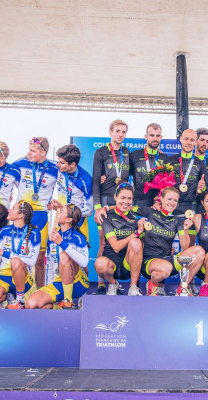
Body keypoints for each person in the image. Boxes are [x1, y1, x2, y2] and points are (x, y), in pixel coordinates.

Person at [136, 187, 205, 296]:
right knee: (165, 268)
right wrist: (107, 208)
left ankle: (182, 288)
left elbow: (185, 247)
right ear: (161, 199)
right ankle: (152, 283)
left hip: (168, 261)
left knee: (199, 251)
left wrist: (185, 230)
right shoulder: (150, 212)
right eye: (169, 199)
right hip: (149, 262)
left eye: (175, 200)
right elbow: (127, 207)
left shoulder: (178, 220)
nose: (172, 203)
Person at [12, 137, 59, 288]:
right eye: (29, 150)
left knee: (39, 258)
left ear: (43, 152)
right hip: (21, 215)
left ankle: (40, 291)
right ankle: (19, 292)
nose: (29, 153)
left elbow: (68, 181)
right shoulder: (21, 162)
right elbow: (5, 173)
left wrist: (55, 202)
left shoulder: (55, 167)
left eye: (32, 151)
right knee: (17, 254)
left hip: (40, 216)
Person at [93, 120, 131, 294]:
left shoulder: (126, 152)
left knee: (121, 238)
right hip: (105, 201)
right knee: (103, 241)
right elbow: (96, 180)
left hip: (121, 202)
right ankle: (101, 283)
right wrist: (98, 207)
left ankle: (117, 280)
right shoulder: (100, 152)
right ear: (110, 132)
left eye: (123, 132)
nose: (120, 135)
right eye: (117, 131)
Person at [26, 204, 90, 310]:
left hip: (77, 283)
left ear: (68, 219)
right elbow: (50, 266)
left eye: (61, 211)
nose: (58, 213)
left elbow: (84, 262)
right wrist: (48, 289)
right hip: (58, 282)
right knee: (31, 304)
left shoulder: (78, 237)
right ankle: (59, 306)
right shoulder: (53, 236)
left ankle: (68, 301)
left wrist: (62, 243)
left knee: (64, 255)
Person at [0, 201, 41, 309]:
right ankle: (9, 296)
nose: (9, 210)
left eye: (13, 208)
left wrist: (5, 253)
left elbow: (32, 261)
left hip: (23, 278)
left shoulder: (34, 233)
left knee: (15, 261)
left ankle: (20, 301)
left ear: (20, 215)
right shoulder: (4, 230)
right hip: (3, 277)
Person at [94, 183, 145, 296]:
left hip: (128, 265)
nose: (126, 201)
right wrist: (136, 233)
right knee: (100, 264)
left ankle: (133, 287)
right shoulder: (106, 215)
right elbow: (116, 247)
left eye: (129, 198)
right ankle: (113, 283)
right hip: (111, 265)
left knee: (136, 242)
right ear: (115, 197)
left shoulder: (137, 216)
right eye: (122, 198)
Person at [52, 144, 93, 242]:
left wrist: (68, 212)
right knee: (55, 250)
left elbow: (89, 210)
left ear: (72, 164)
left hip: (78, 223)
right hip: (60, 220)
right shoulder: (59, 168)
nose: (58, 164)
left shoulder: (85, 181)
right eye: (58, 161)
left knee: (77, 251)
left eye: (62, 163)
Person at [166, 129, 207, 215]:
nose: (188, 142)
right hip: (171, 204)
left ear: (196, 142)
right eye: (186, 139)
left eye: (192, 140)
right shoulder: (169, 160)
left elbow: (206, 187)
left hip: (191, 206)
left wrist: (202, 188)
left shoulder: (200, 163)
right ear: (181, 139)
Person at [129, 123, 166, 207]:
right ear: (146, 137)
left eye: (157, 136)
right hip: (139, 201)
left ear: (161, 137)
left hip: (158, 201)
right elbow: (125, 174)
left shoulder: (165, 158)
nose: (155, 139)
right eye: (152, 135)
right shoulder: (134, 155)